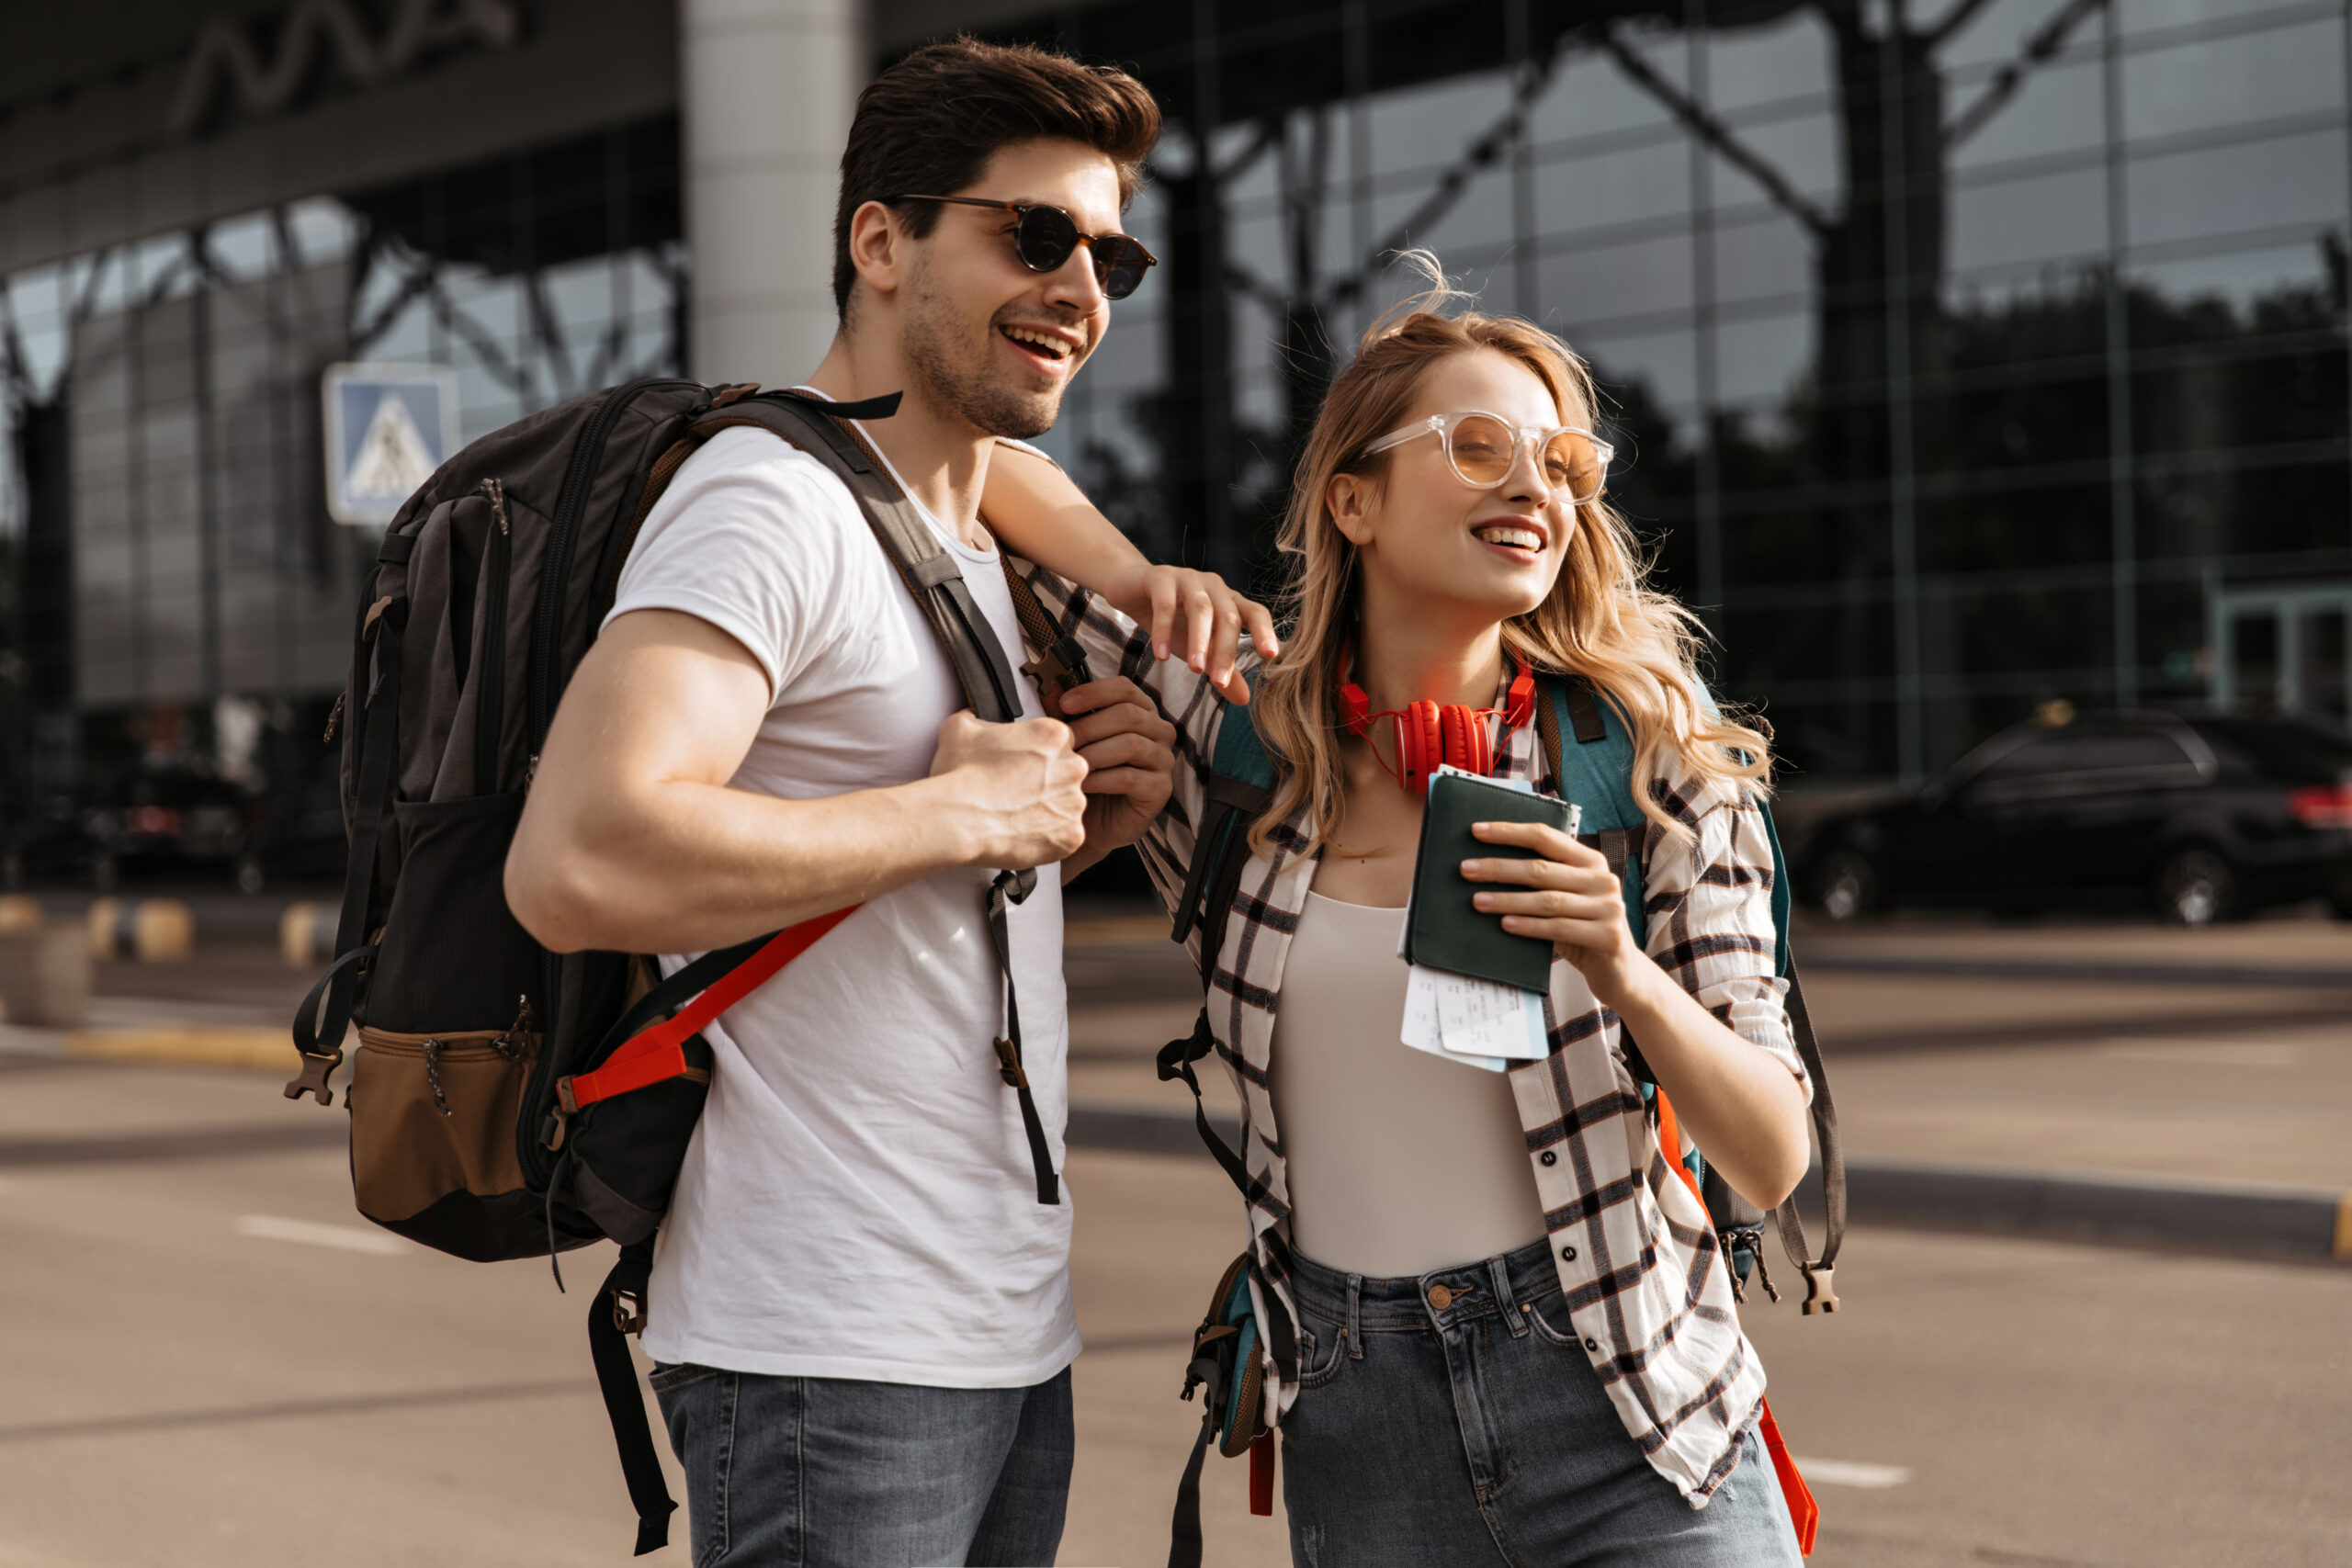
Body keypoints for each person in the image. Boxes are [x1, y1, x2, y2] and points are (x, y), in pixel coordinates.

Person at [504, 38, 1271, 1568]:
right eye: (1029, 233)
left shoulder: (962, 525)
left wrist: (1066, 827)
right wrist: (964, 822)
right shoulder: (767, 505)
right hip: (826, 1350)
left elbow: (897, 861)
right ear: (880, 241)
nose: (1082, 285)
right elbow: (580, 854)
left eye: (1109, 251)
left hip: (998, 1332)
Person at [1012, 263, 1815, 1564]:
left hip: (1633, 1416)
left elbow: (1774, 1155)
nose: (1534, 489)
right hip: (1360, 1433)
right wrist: (1136, 574)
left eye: (1563, 462)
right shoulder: (1237, 758)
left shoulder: (1653, 764)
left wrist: (1620, 964)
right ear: (1354, 499)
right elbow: (979, 473)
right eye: (1480, 448)